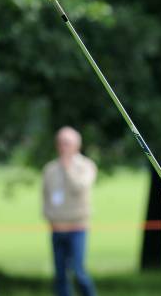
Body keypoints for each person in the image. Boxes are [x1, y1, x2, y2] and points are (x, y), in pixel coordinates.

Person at [42, 126, 97, 296]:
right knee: (60, 275)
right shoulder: (50, 169)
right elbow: (45, 196)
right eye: (60, 143)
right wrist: (49, 217)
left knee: (79, 272)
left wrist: (68, 169)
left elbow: (79, 188)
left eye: (66, 143)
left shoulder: (86, 166)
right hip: (57, 228)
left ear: (76, 145)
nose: (62, 146)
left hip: (77, 228)